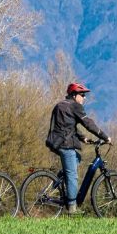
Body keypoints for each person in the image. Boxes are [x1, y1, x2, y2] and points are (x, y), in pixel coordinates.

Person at [45, 81, 109, 214]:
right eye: (82, 95)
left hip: (54, 142)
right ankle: (72, 208)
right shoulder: (75, 106)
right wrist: (104, 136)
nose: (84, 98)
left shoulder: (60, 105)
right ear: (74, 95)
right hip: (65, 144)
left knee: (77, 158)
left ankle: (61, 179)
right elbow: (88, 123)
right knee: (73, 175)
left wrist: (82, 138)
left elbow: (66, 126)